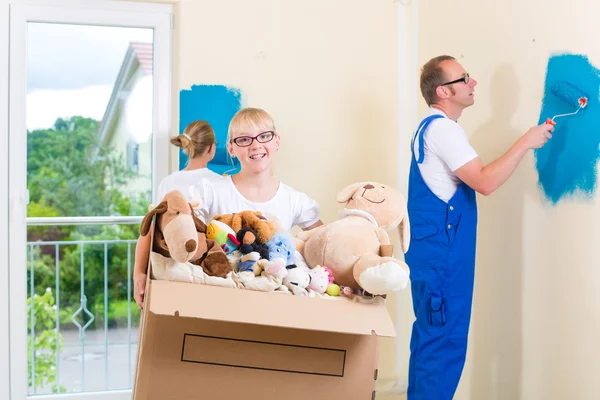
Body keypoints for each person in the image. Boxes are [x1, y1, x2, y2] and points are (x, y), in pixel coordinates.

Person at [404, 55, 554, 399]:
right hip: (442, 258)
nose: (473, 83)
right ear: (443, 91)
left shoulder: (430, 127)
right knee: (443, 344)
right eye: (464, 78)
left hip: (434, 255)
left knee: (431, 340)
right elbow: (484, 182)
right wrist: (526, 141)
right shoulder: (442, 129)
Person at [133, 107, 323, 307]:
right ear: (231, 148)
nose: (255, 145)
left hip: (272, 306)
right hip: (220, 303)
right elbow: (160, 224)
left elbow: (324, 245)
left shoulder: (295, 200)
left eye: (264, 136)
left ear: (276, 141)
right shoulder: (211, 191)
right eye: (244, 139)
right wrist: (139, 273)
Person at [133, 120, 223, 308]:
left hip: (168, 268)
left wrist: (139, 273)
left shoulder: (167, 182)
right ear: (210, 148)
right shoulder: (217, 182)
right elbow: (220, 231)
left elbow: (150, 228)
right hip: (202, 270)